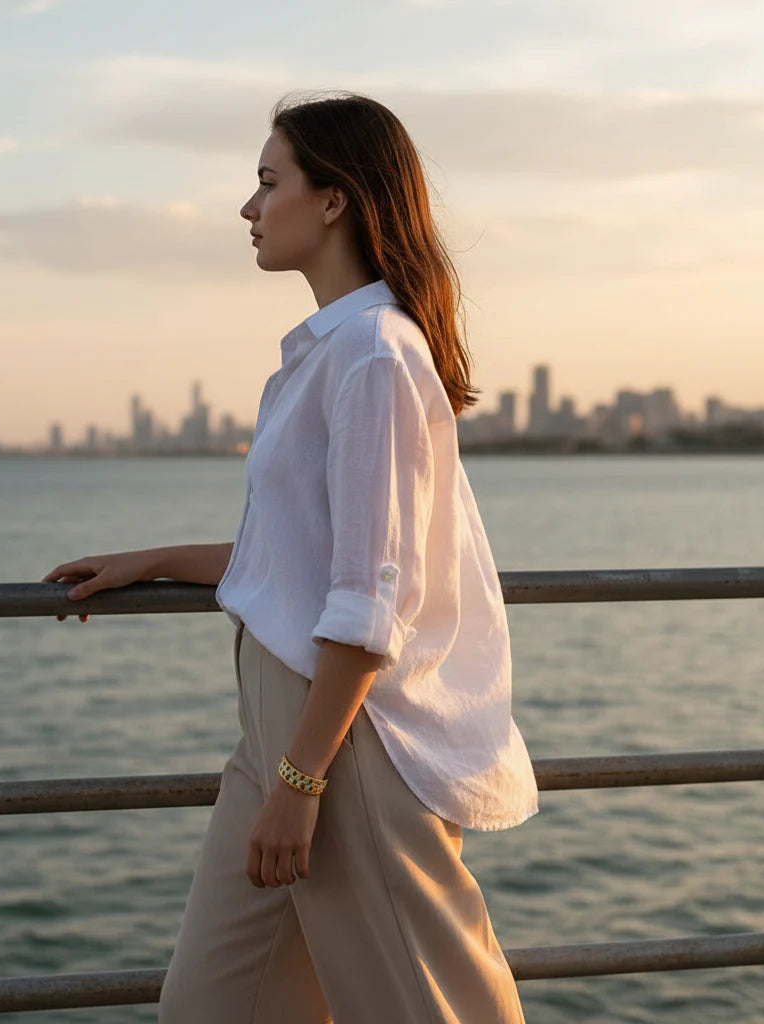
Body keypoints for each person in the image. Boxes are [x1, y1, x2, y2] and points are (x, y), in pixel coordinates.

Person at [42, 91, 539, 1023]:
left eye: (269, 183)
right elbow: (306, 553)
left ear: (334, 200)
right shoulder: (328, 353)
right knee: (213, 1008)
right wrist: (150, 559)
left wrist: (302, 785)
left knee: (434, 1008)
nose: (248, 208)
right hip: (282, 734)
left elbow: (367, 601)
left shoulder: (374, 358)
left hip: (341, 742)